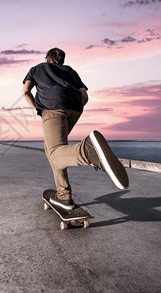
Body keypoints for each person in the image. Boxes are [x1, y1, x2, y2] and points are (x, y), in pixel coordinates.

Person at [22, 47, 129, 210]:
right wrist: (73, 107)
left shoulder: (37, 68)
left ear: (46, 58)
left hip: (52, 109)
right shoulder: (70, 71)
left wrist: (40, 109)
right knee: (52, 149)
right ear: (62, 60)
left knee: (55, 152)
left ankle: (87, 151)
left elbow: (25, 91)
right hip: (75, 108)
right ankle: (63, 194)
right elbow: (84, 96)